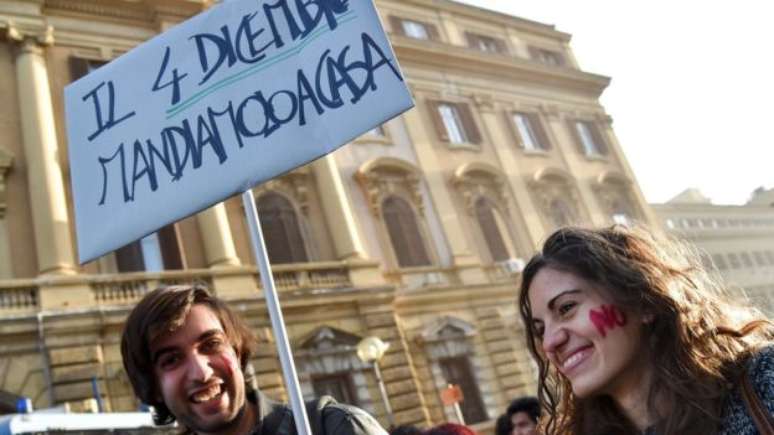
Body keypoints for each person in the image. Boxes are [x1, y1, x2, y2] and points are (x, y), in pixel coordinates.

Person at [518, 225, 774, 435]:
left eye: (566, 308)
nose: (551, 342)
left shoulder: (763, 382)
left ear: (642, 301)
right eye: (540, 330)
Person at [121, 285, 388, 435]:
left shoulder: (334, 427)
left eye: (211, 344)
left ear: (236, 352)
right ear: (153, 385)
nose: (201, 373)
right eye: (171, 360)